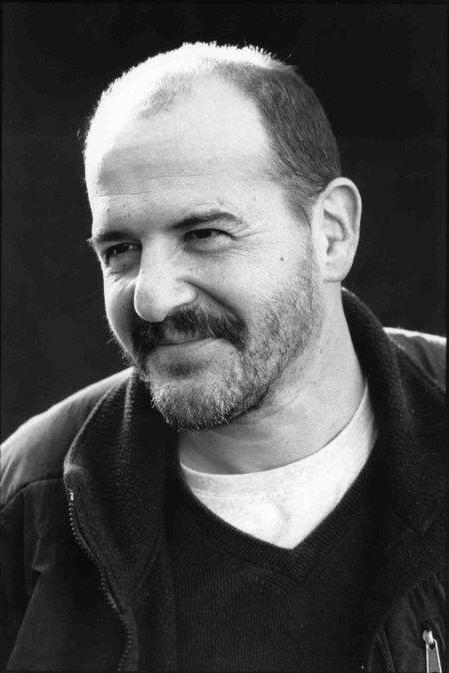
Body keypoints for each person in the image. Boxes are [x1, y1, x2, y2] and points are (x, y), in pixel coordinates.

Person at [1, 42, 445, 673]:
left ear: (331, 233)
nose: (152, 298)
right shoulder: (29, 503)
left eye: (204, 234)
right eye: (120, 250)